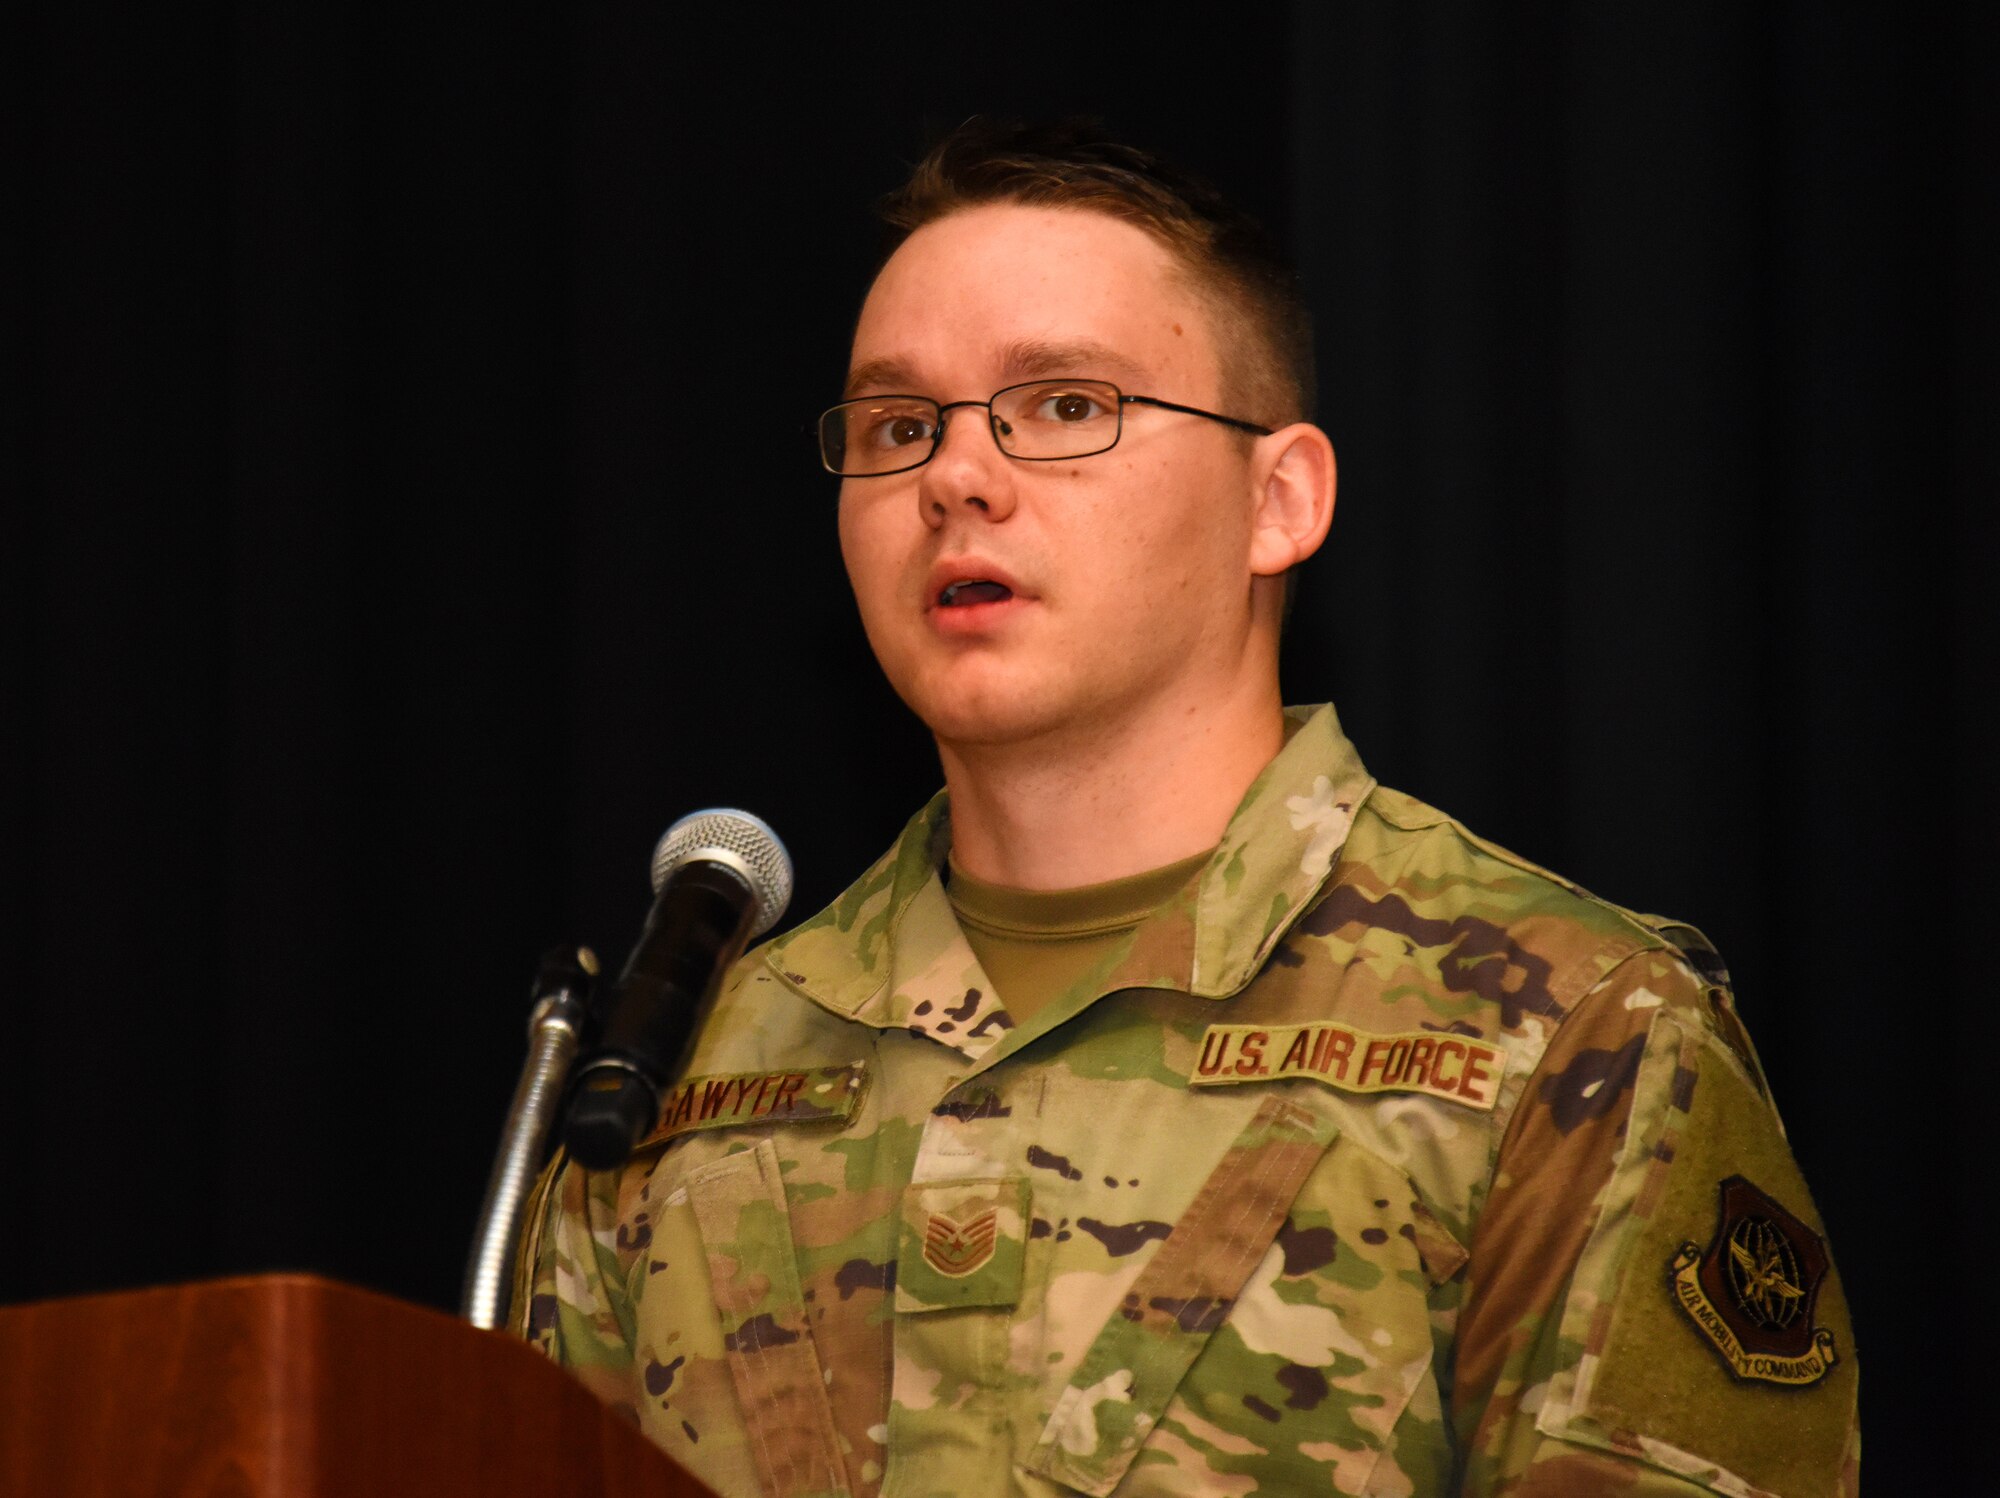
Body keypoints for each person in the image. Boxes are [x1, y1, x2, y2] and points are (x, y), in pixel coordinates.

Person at [517, 121, 1859, 1497]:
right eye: (896, 425)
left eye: (1062, 406)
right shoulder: (684, 1072)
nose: (954, 478)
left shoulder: (1568, 1030)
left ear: (1278, 499)